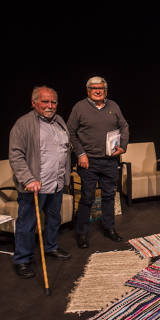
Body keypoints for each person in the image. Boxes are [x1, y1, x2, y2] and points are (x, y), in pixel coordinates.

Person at [9, 86, 72, 278]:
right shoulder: (24, 124)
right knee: (27, 224)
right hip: (35, 186)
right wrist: (28, 179)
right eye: (45, 101)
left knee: (53, 219)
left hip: (56, 183)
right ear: (34, 103)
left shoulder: (59, 121)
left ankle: (50, 247)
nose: (50, 106)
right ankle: (22, 259)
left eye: (53, 102)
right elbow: (16, 155)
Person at [67, 76, 129, 248]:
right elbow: (70, 132)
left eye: (100, 88)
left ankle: (109, 228)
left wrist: (123, 146)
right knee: (87, 197)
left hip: (110, 161)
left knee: (109, 196)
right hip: (89, 162)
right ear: (88, 91)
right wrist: (80, 154)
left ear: (106, 90)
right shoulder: (79, 108)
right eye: (93, 88)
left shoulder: (113, 106)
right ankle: (82, 233)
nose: (97, 90)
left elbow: (124, 126)